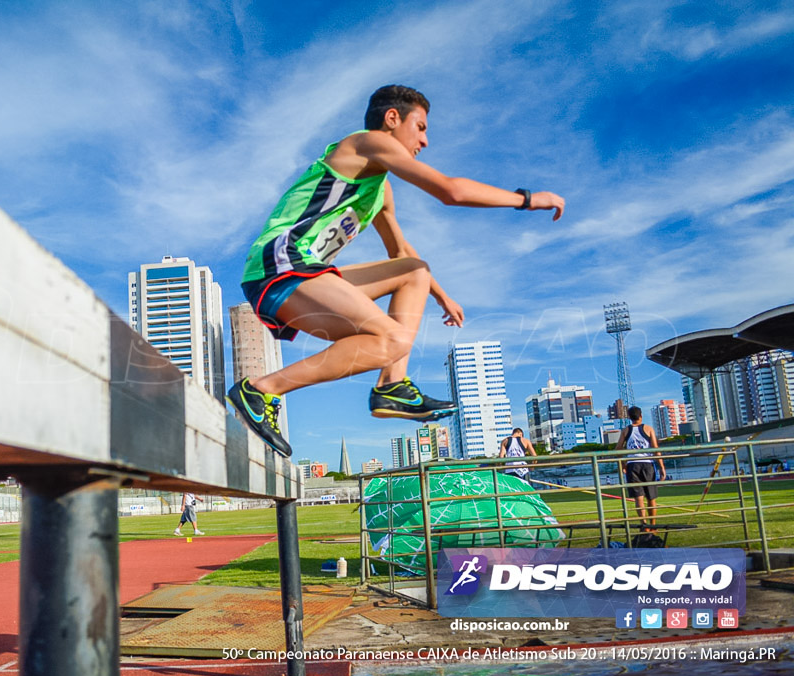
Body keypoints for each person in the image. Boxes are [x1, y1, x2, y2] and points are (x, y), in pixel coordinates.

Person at [228, 85, 564, 457]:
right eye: (420, 127)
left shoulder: (379, 189)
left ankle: (392, 384)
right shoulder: (366, 143)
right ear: (392, 119)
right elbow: (450, 191)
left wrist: (441, 296)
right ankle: (261, 388)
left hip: (305, 269)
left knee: (414, 270)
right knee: (391, 339)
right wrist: (527, 199)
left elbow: (399, 252)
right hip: (281, 262)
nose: (425, 140)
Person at [615, 406, 668, 531]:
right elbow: (655, 449)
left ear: (629, 417)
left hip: (632, 465)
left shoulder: (626, 430)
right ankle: (652, 525)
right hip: (647, 464)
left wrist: (623, 464)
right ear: (641, 415)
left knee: (638, 498)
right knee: (651, 497)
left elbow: (618, 449)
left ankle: (644, 525)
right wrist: (661, 467)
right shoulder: (648, 429)